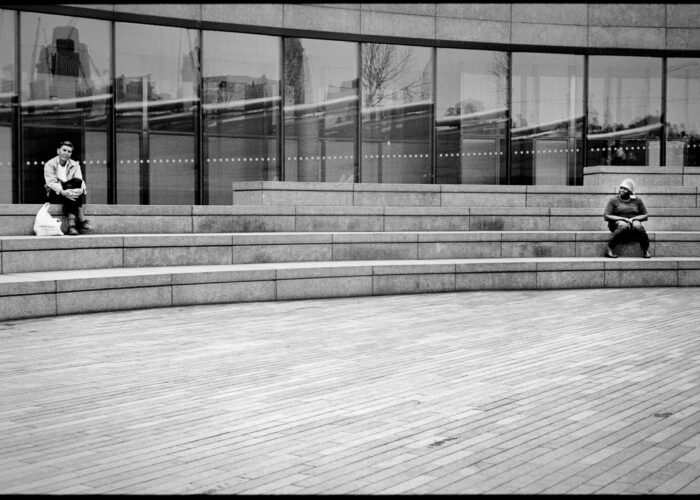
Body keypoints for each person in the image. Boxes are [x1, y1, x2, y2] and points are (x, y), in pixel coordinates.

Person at [43, 140, 93, 235]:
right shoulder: (49, 164)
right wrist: (63, 191)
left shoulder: (75, 164)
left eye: (69, 151)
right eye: (64, 150)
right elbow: (51, 183)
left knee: (76, 182)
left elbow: (80, 180)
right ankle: (82, 219)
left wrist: (81, 190)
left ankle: (72, 225)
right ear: (58, 151)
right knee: (69, 187)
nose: (66, 153)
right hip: (55, 193)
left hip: (70, 193)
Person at [603, 178, 651, 259]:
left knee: (638, 226)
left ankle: (645, 249)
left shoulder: (637, 200)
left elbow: (645, 215)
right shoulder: (613, 200)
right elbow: (606, 216)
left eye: (625, 188)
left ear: (630, 191)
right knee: (623, 225)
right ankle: (610, 248)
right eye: (621, 187)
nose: (621, 190)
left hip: (632, 222)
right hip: (617, 224)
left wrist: (633, 219)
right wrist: (623, 219)